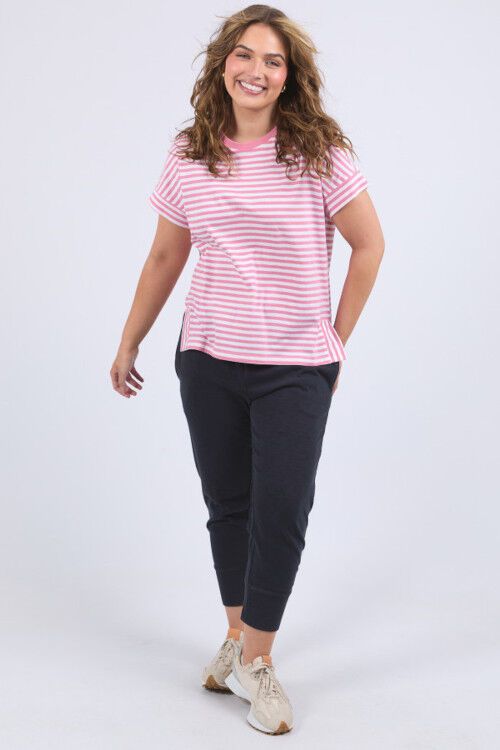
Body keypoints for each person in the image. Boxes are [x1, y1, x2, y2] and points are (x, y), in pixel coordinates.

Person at [110, 4, 384, 736]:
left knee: (282, 512)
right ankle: (238, 638)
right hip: (206, 359)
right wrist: (130, 340)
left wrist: (334, 342)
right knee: (228, 505)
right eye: (244, 55)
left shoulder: (318, 152)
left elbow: (369, 245)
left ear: (289, 77)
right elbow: (165, 255)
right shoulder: (189, 153)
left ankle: (258, 662)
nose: (255, 70)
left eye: (272, 60)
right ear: (222, 64)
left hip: (295, 365)